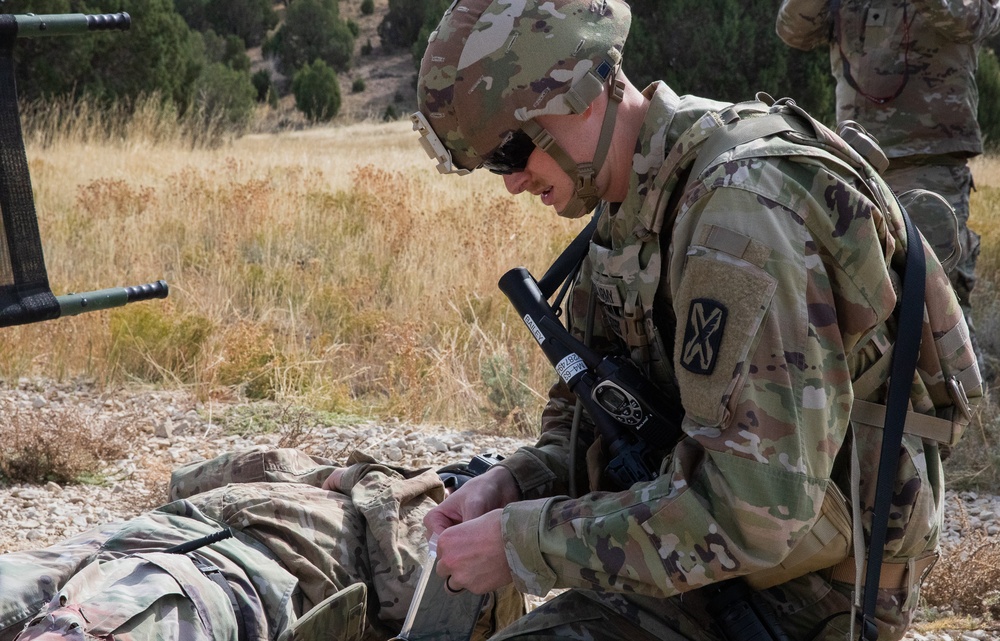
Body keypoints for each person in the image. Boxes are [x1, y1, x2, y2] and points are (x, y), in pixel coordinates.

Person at [410, 1, 984, 640]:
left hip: (802, 601)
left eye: (511, 152)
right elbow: (592, 415)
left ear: (577, 95)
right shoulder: (629, 208)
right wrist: (515, 482)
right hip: (696, 564)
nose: (512, 183)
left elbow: (759, 511)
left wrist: (527, 543)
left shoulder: (739, 216)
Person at [0, 448, 524, 641]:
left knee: (83, 628)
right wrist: (346, 475)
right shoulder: (343, 477)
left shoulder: (458, 544)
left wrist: (365, 481)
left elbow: (431, 601)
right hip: (146, 536)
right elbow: (195, 478)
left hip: (230, 576)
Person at [775, 0, 1000, 382]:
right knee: (857, 286)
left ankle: (959, 391)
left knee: (940, 289)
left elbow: (977, 21)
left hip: (930, 158)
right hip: (858, 160)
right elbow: (793, 30)